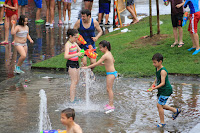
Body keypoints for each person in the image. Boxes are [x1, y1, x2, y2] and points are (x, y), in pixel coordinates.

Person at [82, 40, 117, 113]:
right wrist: (106, 64)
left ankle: (111, 105)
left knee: (109, 89)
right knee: (109, 89)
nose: (100, 49)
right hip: (112, 73)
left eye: (101, 48)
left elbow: (96, 63)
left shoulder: (105, 55)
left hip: (111, 74)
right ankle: (110, 104)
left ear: (105, 47)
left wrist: (87, 67)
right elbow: (112, 61)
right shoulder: (109, 53)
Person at [150, 53, 181, 127]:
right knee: (162, 105)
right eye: (153, 62)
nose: (153, 64)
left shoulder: (163, 71)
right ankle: (175, 110)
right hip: (162, 90)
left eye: (155, 62)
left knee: (159, 105)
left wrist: (154, 88)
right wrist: (154, 83)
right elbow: (157, 77)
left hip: (166, 90)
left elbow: (163, 83)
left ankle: (162, 123)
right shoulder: (157, 68)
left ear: (160, 62)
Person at [64, 29, 83, 102]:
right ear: (70, 36)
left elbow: (80, 51)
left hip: (76, 63)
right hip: (71, 63)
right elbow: (66, 56)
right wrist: (77, 54)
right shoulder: (68, 44)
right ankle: (72, 100)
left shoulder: (75, 43)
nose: (76, 39)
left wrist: (89, 51)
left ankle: (74, 97)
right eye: (75, 37)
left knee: (77, 81)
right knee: (73, 81)